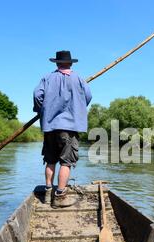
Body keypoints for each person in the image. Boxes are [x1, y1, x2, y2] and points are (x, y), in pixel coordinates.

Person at [33, 51, 92, 207]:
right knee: (66, 162)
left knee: (50, 160)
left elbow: (37, 95)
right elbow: (88, 96)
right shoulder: (78, 78)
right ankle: (59, 196)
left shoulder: (47, 78)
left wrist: (43, 111)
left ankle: (47, 194)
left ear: (56, 63)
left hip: (50, 126)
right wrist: (77, 106)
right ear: (71, 63)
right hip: (70, 126)